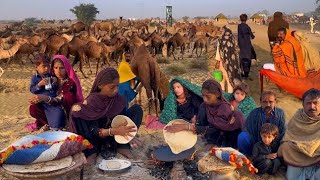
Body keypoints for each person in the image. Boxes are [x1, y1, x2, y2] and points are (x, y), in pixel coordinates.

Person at [68, 67, 143, 161]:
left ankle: (122, 145)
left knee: (137, 109)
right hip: (96, 136)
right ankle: (91, 151)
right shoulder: (92, 101)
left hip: (115, 136)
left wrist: (128, 134)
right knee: (77, 112)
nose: (116, 90)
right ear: (100, 86)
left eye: (117, 86)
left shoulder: (119, 100)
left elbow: (122, 120)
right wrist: (112, 131)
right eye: (112, 87)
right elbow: (92, 129)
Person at [165, 79, 245, 148]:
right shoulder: (204, 106)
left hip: (228, 140)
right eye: (203, 96)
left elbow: (215, 129)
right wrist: (194, 123)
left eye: (208, 96)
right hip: (211, 138)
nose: (205, 99)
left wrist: (188, 127)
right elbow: (201, 125)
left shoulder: (224, 108)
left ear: (217, 95)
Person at [28, 55, 83, 131]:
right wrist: (37, 98)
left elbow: (61, 99)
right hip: (51, 107)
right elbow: (35, 89)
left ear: (66, 68)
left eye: (62, 68)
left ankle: (64, 123)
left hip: (65, 110)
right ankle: (47, 122)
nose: (58, 71)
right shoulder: (51, 78)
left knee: (68, 97)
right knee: (33, 108)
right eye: (55, 68)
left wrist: (45, 98)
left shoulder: (70, 82)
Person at [278, 88, 320, 180]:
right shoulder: (298, 117)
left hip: (317, 158)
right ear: (303, 105)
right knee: (291, 177)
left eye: (315, 103)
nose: (312, 106)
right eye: (308, 103)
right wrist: (301, 146)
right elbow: (288, 137)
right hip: (297, 155)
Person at [238, 91, 286, 155]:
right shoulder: (254, 113)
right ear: (260, 102)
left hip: (274, 143)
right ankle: (247, 155)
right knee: (242, 136)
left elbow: (283, 131)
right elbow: (248, 129)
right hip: (256, 143)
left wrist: (272, 143)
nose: (268, 105)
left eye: (270, 102)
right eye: (264, 102)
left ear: (275, 102)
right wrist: (259, 145)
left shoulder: (281, 113)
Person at [28, 55, 66, 130]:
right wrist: (39, 84)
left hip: (52, 101)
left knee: (57, 118)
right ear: (37, 67)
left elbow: (56, 89)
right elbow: (32, 90)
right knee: (33, 109)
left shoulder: (51, 75)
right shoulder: (35, 78)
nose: (47, 68)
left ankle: (53, 125)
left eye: (48, 66)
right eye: (44, 66)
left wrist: (55, 81)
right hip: (41, 102)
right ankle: (46, 122)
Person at [238, 14, 256, 80]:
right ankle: (246, 75)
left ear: (240, 19)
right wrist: (252, 35)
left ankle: (242, 73)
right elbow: (252, 36)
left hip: (241, 45)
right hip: (247, 45)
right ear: (246, 19)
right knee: (248, 60)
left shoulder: (239, 26)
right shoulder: (247, 27)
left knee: (241, 59)